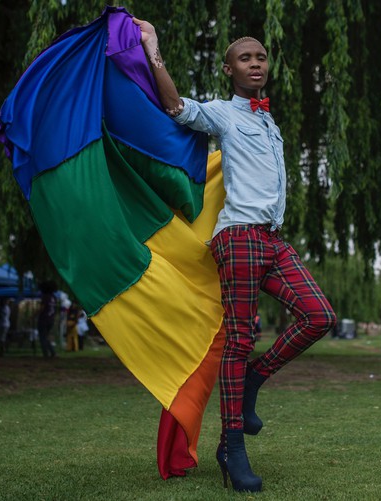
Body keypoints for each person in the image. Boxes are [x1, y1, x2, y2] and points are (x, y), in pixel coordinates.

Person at [134, 19, 337, 493]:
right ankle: (232, 447)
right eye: (245, 59)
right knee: (240, 338)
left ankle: (250, 382)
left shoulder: (269, 121)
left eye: (261, 57)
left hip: (272, 239)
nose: (255, 64)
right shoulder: (224, 114)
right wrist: (152, 48)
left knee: (319, 315)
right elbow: (175, 106)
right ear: (229, 69)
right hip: (239, 238)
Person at [37, 281, 58, 358]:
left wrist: (33, 315)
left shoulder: (45, 297)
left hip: (43, 319)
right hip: (50, 319)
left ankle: (46, 353)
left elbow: (42, 308)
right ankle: (52, 352)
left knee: (43, 337)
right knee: (46, 336)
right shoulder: (54, 297)